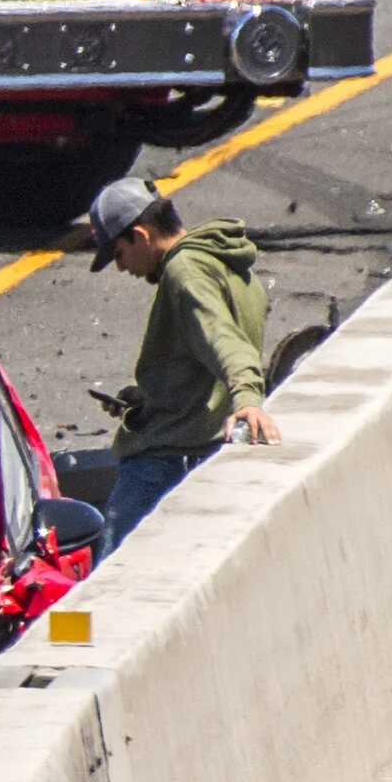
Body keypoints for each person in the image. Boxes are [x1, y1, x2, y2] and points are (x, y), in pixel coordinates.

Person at [87, 178, 279, 550]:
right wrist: (146, 398)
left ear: (141, 235)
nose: (122, 268)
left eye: (119, 254)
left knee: (102, 579)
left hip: (165, 459)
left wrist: (248, 400)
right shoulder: (224, 261)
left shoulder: (184, 273)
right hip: (201, 448)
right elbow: (201, 366)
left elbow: (223, 339)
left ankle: (71, 615)